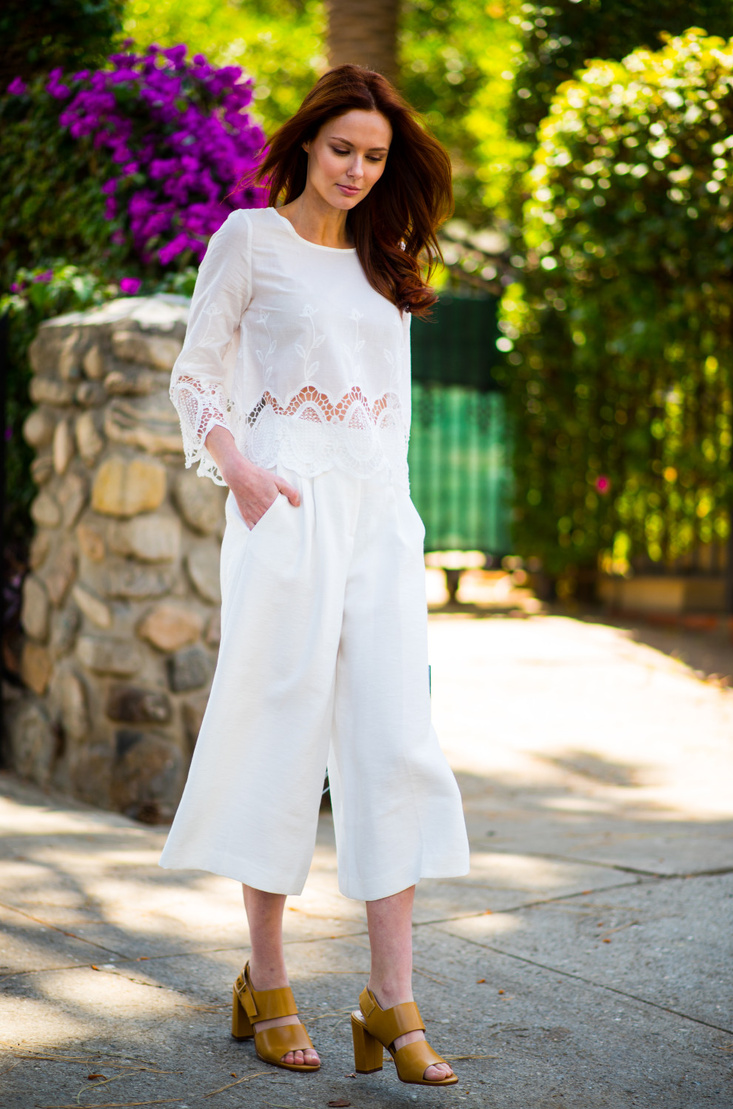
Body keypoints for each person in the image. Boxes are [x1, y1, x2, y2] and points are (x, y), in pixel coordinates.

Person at [160, 62, 469, 1087]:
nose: (357, 169)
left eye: (375, 156)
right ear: (304, 144)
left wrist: (401, 522)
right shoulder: (250, 239)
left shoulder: (386, 260)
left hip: (378, 518)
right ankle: (268, 978)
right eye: (342, 148)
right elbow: (195, 374)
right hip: (285, 513)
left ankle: (391, 996)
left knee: (394, 739)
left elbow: (390, 413)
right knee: (281, 731)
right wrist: (242, 472)